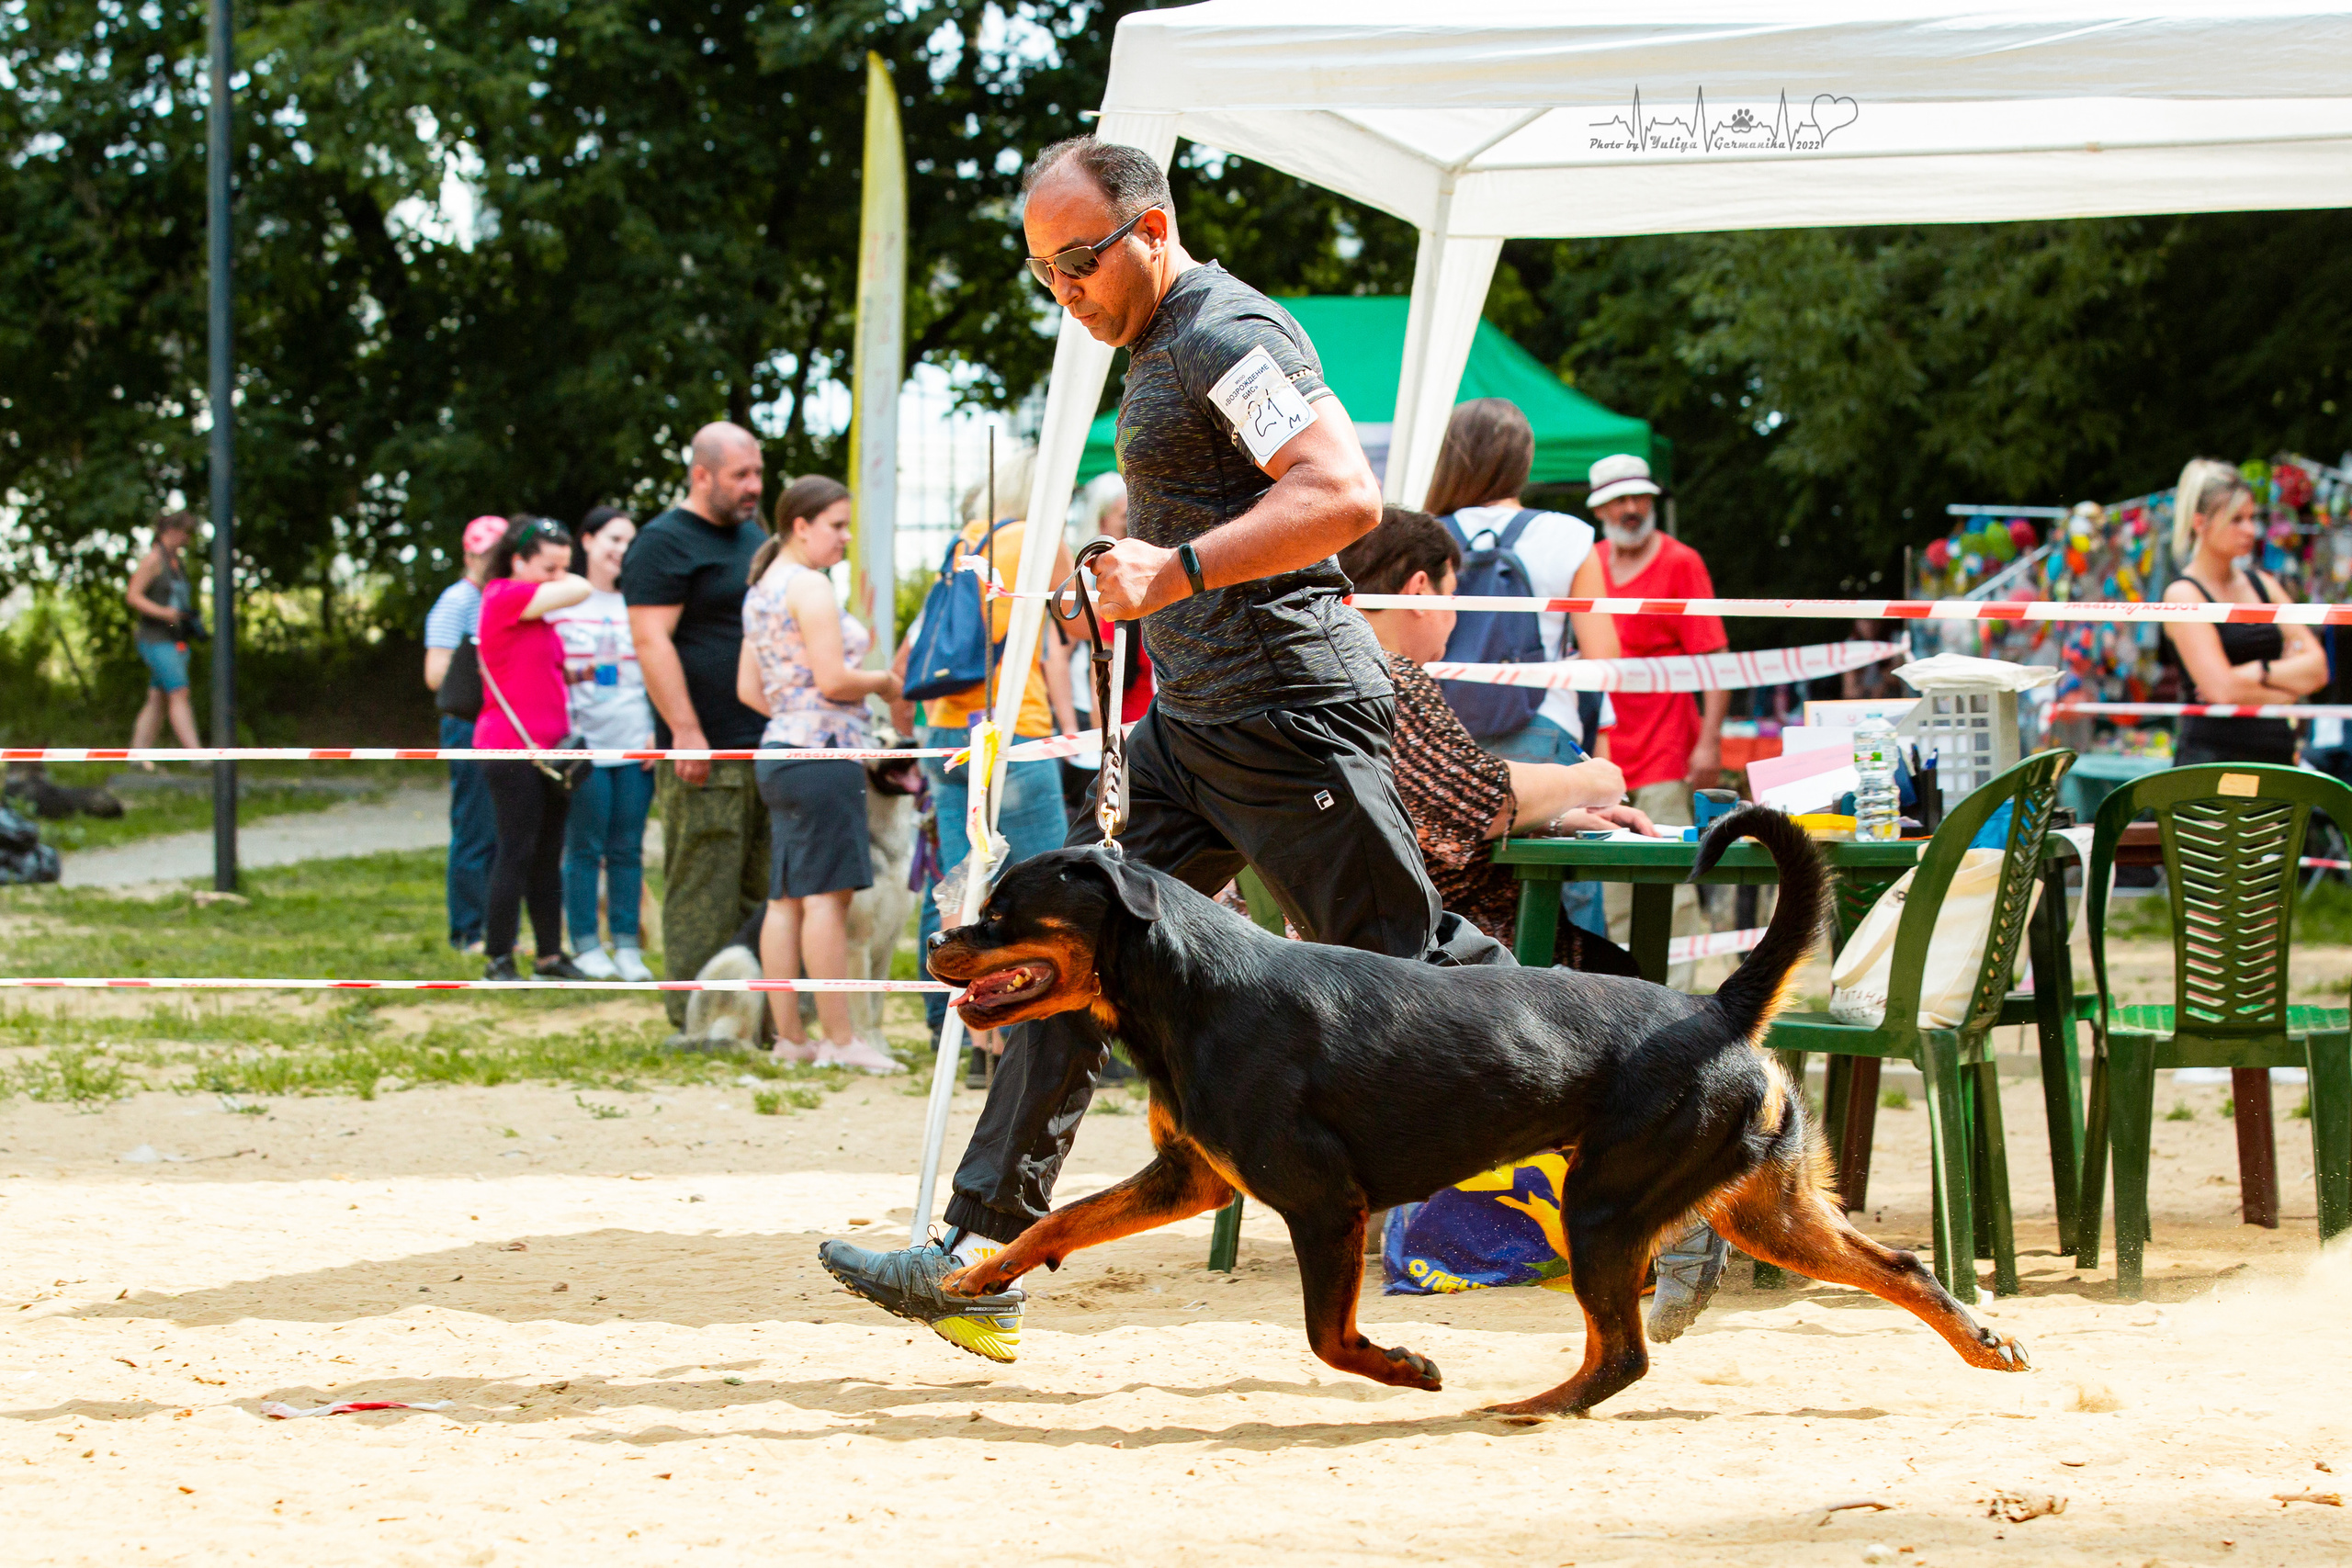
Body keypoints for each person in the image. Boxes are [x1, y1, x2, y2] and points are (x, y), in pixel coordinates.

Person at [820, 133, 1492, 1362]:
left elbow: (1343, 494)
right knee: (1065, 948)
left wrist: (1174, 569)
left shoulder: (1228, 332)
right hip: (1197, 724)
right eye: (1043, 273)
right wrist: (1134, 586)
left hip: (1289, 715)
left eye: (1078, 261)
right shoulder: (1152, 348)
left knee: (1417, 966)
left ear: (1152, 228)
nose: (1064, 290)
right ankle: (979, 1253)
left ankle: (1656, 1090)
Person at [1338, 507, 1649, 970]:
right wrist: (1592, 779)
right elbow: (1480, 799)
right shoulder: (1388, 679)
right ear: (1421, 591)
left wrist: (1560, 815)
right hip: (1441, 967)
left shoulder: (1326, 672)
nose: (1456, 620)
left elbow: (1436, 807)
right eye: (1454, 597)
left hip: (1353, 947)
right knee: (1628, 982)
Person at [1424, 398, 1623, 939]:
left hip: (1440, 743)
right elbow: (1603, 661)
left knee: (1454, 894)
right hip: (1545, 733)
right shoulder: (1569, 536)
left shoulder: (1424, 535)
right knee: (1564, 893)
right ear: (1523, 461)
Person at [902, 446, 1077, 1058]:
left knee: (964, 889)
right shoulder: (1038, 537)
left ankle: (978, 1038)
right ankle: (1036, 1039)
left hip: (949, 730)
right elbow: (1080, 623)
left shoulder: (965, 540)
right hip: (1014, 731)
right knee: (1046, 890)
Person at [737, 475, 905, 1073]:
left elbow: (748, 688)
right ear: (800, 525)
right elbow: (834, 679)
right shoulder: (807, 585)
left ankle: (792, 1037)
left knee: (787, 900)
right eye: (836, 525)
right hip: (823, 754)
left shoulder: (760, 588)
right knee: (825, 904)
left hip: (780, 748)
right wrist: (883, 682)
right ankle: (840, 1040)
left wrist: (796, 710)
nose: (845, 537)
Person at [623, 423, 773, 1028]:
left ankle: (756, 1015)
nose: (753, 487)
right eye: (741, 475)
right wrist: (683, 730)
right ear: (702, 475)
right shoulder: (663, 543)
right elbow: (649, 639)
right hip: (704, 746)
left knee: (763, 887)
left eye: (758, 473)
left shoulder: (753, 537)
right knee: (701, 887)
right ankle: (694, 1016)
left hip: (765, 743)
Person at [1590, 453, 1728, 981]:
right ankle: (1632, 1013)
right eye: (1619, 499)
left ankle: (1691, 1017)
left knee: (1678, 885)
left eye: (1639, 497)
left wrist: (1709, 743)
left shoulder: (1681, 562)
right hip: (1605, 752)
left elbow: (1715, 661)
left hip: (1671, 750)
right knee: (1616, 891)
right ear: (1600, 507)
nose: (1630, 508)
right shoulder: (1591, 564)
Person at [475, 517, 594, 983]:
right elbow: (581, 588)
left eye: (563, 567)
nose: (558, 577)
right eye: (549, 567)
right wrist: (568, 578)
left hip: (550, 752)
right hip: (510, 749)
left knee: (548, 853)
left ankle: (548, 955)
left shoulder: (536, 616)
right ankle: (499, 956)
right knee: (516, 852)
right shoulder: (503, 596)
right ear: (516, 562)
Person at [548, 506, 656, 982]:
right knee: (584, 849)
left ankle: (628, 947)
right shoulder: (561, 601)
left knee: (628, 849)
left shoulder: (641, 603)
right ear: (587, 541)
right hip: (582, 747)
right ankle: (586, 945)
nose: (621, 550)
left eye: (630, 543)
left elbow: (659, 671)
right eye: (613, 539)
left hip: (636, 743)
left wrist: (660, 731)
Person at [2163, 457, 2326, 766]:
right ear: (2200, 523)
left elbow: (2318, 668)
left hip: (2278, 759)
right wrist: (2286, 692)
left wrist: (2258, 673)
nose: (2250, 530)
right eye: (2236, 519)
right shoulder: (2182, 593)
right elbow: (2221, 690)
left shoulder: (2264, 584)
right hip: (2212, 764)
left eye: (2252, 517)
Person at [424, 514, 508, 952]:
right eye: (484, 555)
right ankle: (466, 931)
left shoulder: (503, 598)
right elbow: (435, 674)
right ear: (469, 556)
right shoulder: (456, 602)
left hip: (498, 727)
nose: (491, 563)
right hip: (468, 725)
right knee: (474, 829)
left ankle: (495, 931)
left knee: (498, 831)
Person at [125, 512, 205, 768]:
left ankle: (137, 756)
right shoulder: (153, 560)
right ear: (171, 530)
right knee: (179, 692)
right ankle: (197, 755)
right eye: (186, 532)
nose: (188, 538)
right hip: (156, 639)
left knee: (157, 698)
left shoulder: (175, 562)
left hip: (174, 637)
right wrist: (164, 613)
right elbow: (133, 596)